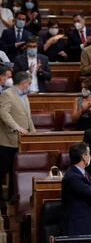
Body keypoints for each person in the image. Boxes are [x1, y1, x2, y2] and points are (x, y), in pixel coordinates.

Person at [0, 71, 35, 206]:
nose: (30, 85)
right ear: (24, 83)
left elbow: (27, 117)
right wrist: (16, 127)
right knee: (3, 169)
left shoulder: (24, 96)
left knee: (17, 170)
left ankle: (12, 197)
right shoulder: (7, 94)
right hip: (8, 141)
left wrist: (34, 133)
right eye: (29, 83)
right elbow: (3, 113)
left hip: (22, 140)